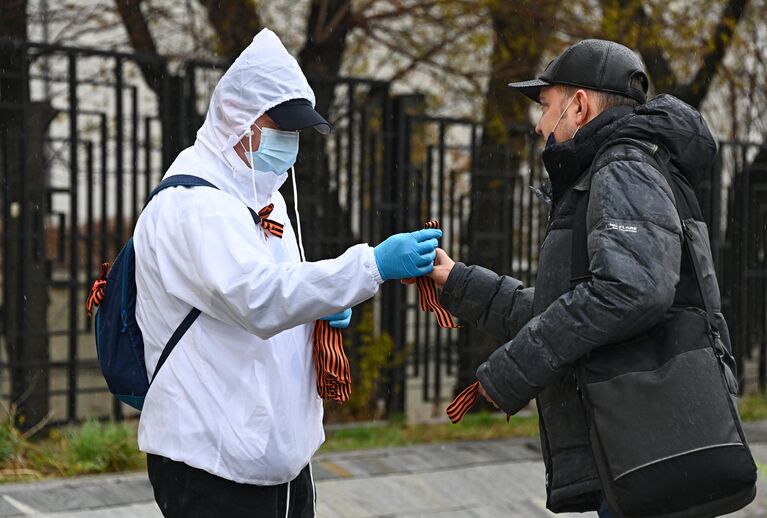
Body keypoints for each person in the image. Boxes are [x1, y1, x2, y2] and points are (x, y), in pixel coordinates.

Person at [133, 29, 440, 517]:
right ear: (241, 120)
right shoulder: (193, 205)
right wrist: (371, 265)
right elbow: (259, 298)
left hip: (278, 459)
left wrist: (322, 308)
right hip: (211, 461)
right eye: (281, 127)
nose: (290, 142)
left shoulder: (263, 190)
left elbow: (286, 289)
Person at [429, 39, 733, 517]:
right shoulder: (613, 171)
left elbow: (631, 291)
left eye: (547, 106)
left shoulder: (624, 167)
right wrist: (458, 282)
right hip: (634, 448)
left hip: (646, 444)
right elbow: (573, 310)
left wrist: (515, 368)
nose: (539, 126)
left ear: (579, 104)